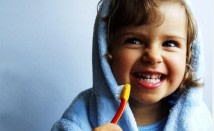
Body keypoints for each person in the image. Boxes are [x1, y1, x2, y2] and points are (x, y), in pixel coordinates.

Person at [51, 0, 212, 130]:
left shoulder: (197, 120)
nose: (153, 56)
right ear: (107, 49)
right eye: (134, 41)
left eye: (169, 43)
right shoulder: (82, 116)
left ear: (188, 56)